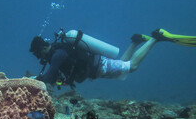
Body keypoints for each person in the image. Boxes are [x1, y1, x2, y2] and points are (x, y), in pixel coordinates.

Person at [29, 28, 196, 89]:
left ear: (44, 47)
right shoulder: (58, 53)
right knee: (123, 66)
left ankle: (156, 37)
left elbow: (49, 77)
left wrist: (33, 81)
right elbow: (56, 76)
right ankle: (135, 42)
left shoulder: (57, 54)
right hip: (97, 69)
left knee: (132, 66)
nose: (39, 57)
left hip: (98, 66)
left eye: (38, 53)